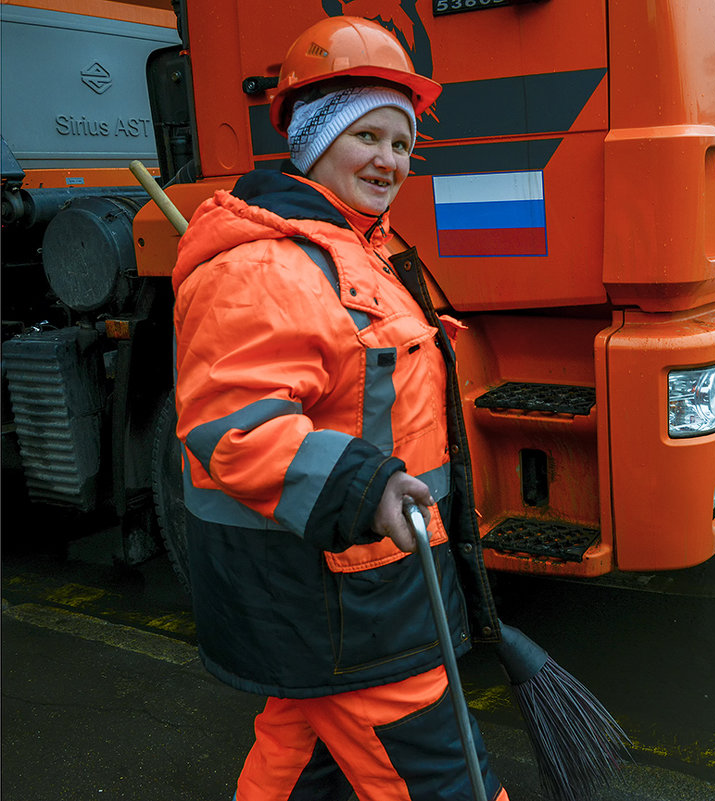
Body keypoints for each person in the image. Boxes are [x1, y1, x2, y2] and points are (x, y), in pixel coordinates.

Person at [171, 16, 505, 801]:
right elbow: (234, 425)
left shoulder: (361, 249)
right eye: (369, 137)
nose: (390, 160)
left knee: (298, 762)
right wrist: (363, 486)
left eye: (402, 142)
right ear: (315, 142)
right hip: (350, 601)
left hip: (366, 589)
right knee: (446, 780)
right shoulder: (264, 265)